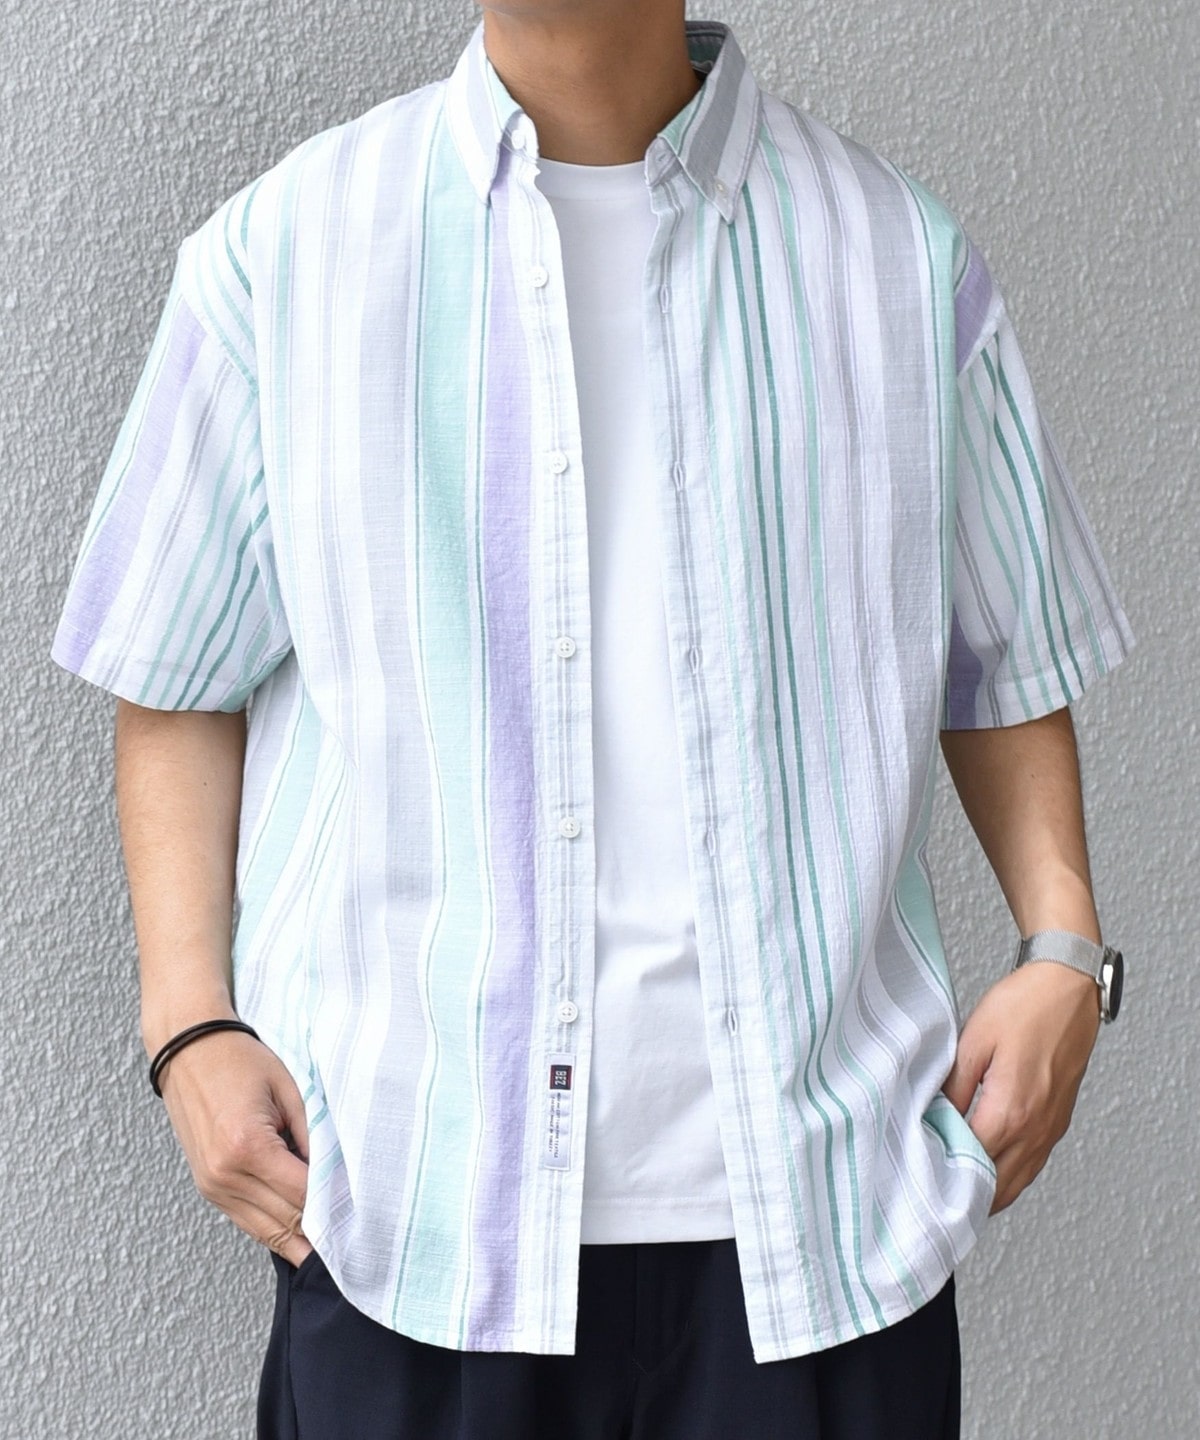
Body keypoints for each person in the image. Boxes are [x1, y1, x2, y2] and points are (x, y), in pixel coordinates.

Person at [51, 2, 1133, 1436]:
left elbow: (1004, 660)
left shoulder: (899, 261)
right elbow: (175, 676)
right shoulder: (284, 256)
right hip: (412, 1220)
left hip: (825, 1226)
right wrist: (189, 1024)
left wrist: (1064, 949)